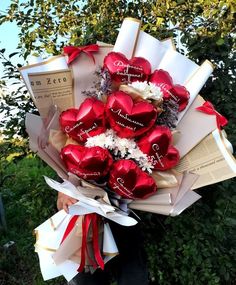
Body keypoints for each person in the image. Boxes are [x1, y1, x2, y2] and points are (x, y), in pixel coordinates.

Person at [57, 192, 149, 285]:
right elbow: (62, 198)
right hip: (84, 235)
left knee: (133, 278)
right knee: (86, 281)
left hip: (125, 230)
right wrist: (64, 194)